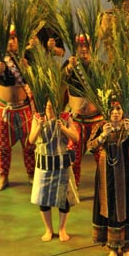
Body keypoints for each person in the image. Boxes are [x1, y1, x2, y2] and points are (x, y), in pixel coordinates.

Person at [87, 101, 129, 256]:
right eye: (112, 110)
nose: (115, 113)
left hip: (127, 169)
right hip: (107, 171)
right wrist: (103, 136)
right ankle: (112, 247)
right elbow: (90, 147)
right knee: (109, 204)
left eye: (118, 109)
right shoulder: (100, 126)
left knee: (128, 204)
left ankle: (127, 247)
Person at [29, 100, 79, 242]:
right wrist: (39, 126)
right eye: (47, 102)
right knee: (43, 198)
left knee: (64, 198)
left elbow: (76, 137)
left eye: (52, 101)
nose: (50, 104)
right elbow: (31, 140)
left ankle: (62, 229)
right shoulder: (37, 117)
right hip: (43, 163)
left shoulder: (64, 116)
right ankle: (48, 229)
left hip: (61, 163)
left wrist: (63, 128)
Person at [0, 30, 35, 191]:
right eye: (8, 39)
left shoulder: (27, 56)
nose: (11, 42)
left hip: (23, 108)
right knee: (2, 146)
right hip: (3, 108)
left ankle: (31, 174)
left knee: (30, 144)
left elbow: (35, 79)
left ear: (19, 40)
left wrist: (28, 68)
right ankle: (4, 176)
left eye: (13, 38)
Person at [63, 35, 104, 187]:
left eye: (87, 45)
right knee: (73, 158)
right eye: (80, 46)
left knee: (102, 158)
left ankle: (104, 188)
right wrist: (69, 68)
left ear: (92, 46)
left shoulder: (100, 66)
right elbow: (59, 82)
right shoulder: (69, 67)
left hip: (96, 121)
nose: (84, 48)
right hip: (76, 121)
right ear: (75, 48)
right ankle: (74, 187)